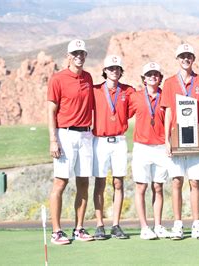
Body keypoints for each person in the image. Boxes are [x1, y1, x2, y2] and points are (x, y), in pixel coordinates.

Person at [160, 43, 199, 240]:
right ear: (177, 59)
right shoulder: (170, 82)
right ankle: (178, 224)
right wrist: (166, 140)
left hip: (196, 138)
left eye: (189, 55)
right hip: (176, 138)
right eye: (182, 56)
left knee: (195, 182)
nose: (186, 59)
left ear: (193, 58)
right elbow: (168, 111)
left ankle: (197, 224)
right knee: (176, 182)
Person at [47, 39, 94, 245]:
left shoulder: (88, 77)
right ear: (68, 56)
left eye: (82, 53)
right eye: (75, 53)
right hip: (65, 135)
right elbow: (51, 111)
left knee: (83, 182)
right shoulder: (58, 79)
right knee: (61, 182)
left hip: (85, 135)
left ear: (85, 55)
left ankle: (79, 228)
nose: (79, 56)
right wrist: (53, 139)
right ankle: (56, 231)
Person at [129, 62, 173, 240]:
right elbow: (123, 114)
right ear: (143, 78)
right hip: (141, 147)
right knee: (141, 186)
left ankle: (158, 225)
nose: (152, 77)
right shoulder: (136, 97)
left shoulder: (166, 96)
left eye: (156, 74)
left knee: (158, 186)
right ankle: (144, 227)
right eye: (149, 74)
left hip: (161, 147)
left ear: (160, 78)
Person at [92, 55, 134, 240]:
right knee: (100, 183)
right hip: (100, 141)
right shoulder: (95, 90)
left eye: (117, 68)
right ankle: (100, 224)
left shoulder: (128, 91)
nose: (114, 71)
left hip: (119, 141)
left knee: (118, 182)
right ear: (105, 71)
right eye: (111, 68)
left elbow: (135, 108)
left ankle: (116, 225)